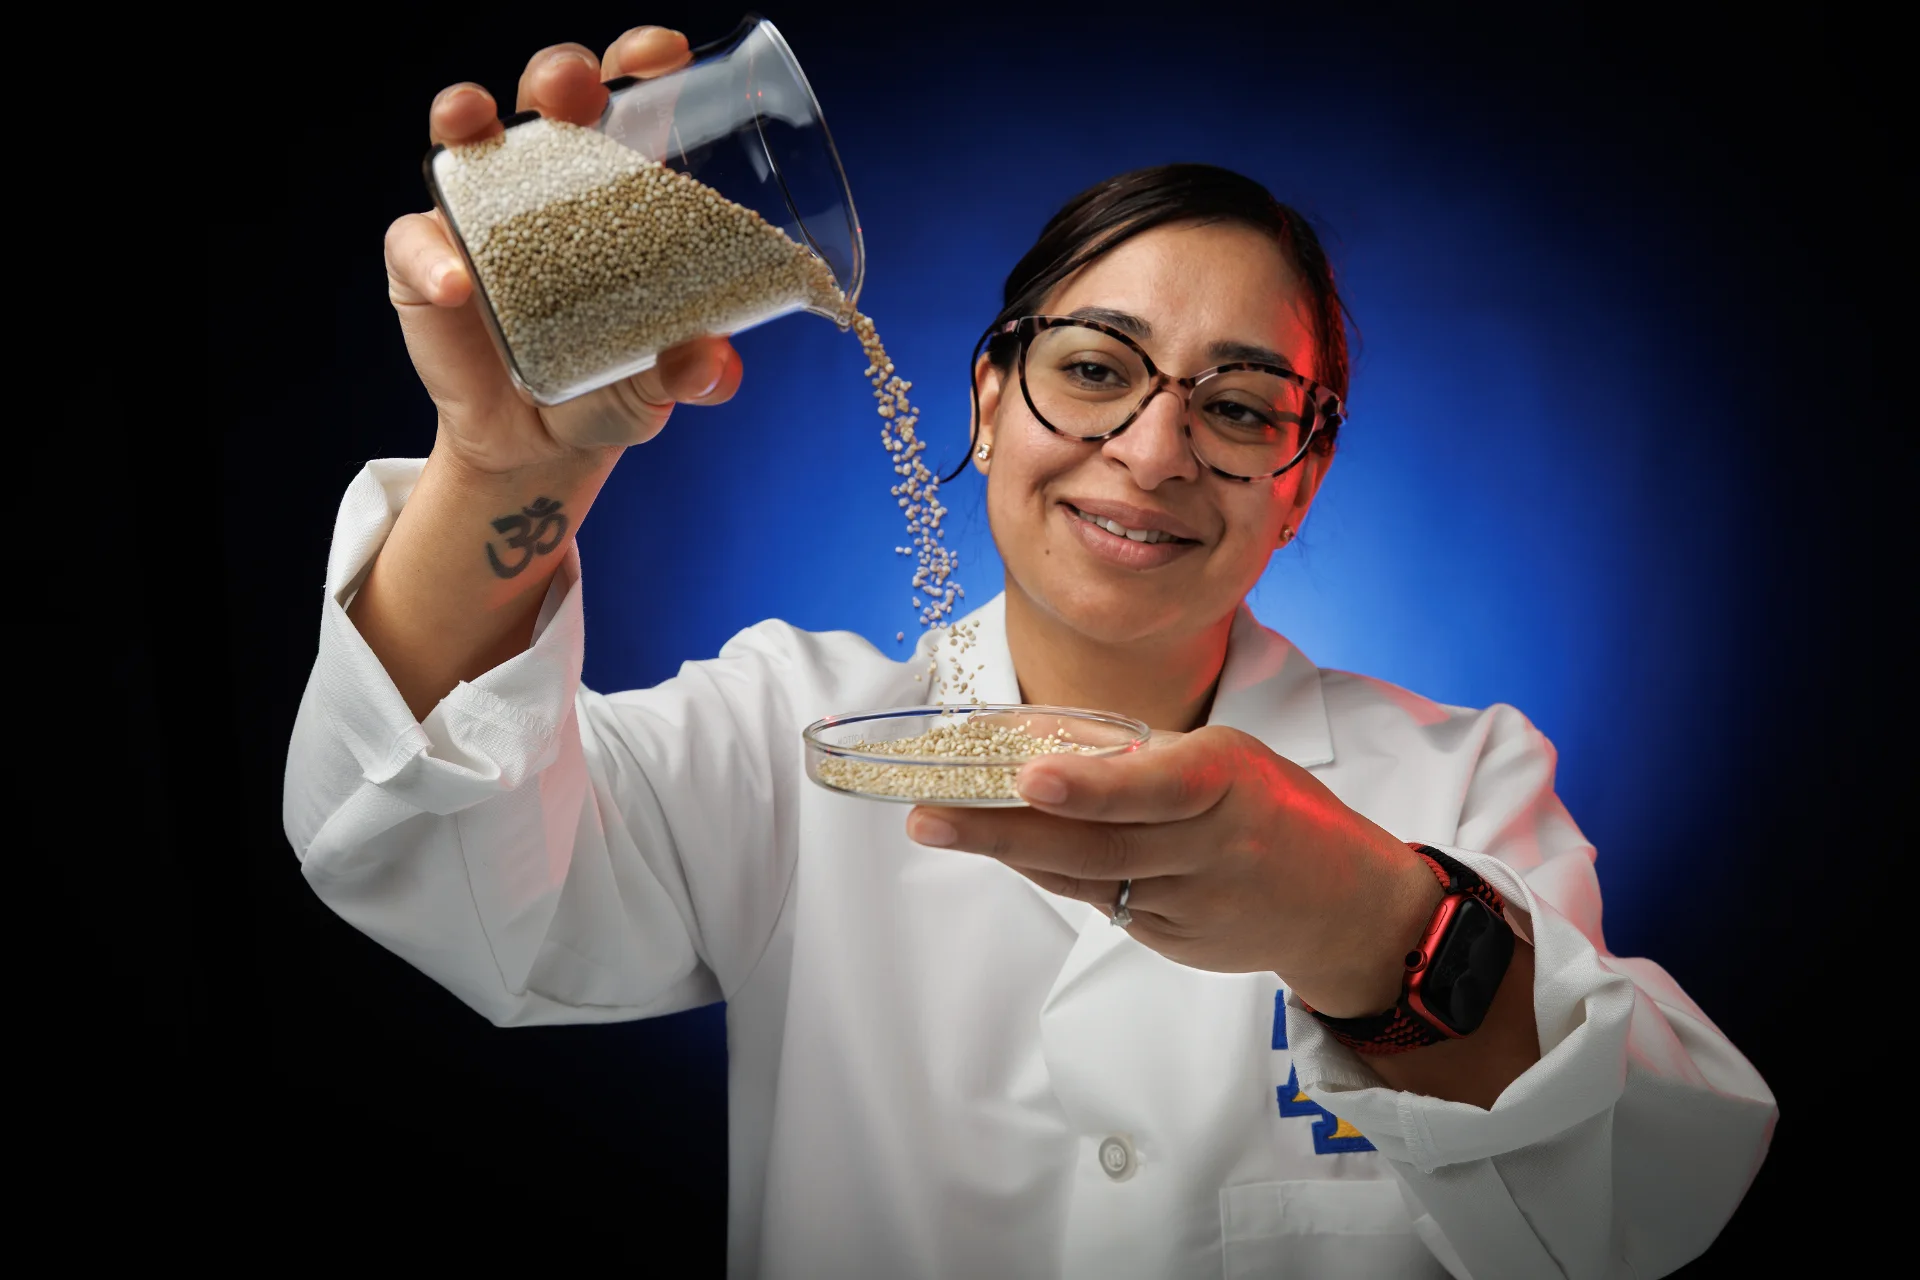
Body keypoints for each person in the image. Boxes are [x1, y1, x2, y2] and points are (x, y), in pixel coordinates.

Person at [284, 24, 1776, 1280]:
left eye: (1244, 408)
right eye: (1093, 370)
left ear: (1302, 481)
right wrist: (499, 474)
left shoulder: (1454, 781)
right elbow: (430, 862)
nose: (1152, 448)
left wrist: (1370, 928)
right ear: (988, 402)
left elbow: (1638, 1203)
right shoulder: (783, 733)